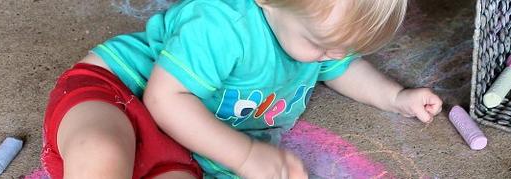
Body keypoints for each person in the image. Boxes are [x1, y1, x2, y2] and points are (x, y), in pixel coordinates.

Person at [41, 0, 442, 178]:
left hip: (187, 147)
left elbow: (342, 66)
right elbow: (164, 99)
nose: (329, 57)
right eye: (320, 45)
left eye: (342, 48)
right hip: (119, 90)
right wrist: (246, 154)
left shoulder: (315, 33)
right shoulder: (221, 23)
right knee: (101, 152)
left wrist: (395, 97)